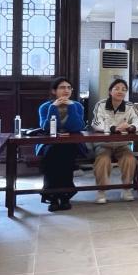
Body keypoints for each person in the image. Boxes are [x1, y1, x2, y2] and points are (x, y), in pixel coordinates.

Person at [90, 78, 138, 204]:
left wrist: (131, 127)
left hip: (122, 144)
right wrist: (113, 128)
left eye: (124, 89)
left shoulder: (129, 106)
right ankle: (101, 191)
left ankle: (126, 189)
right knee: (103, 160)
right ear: (110, 91)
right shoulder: (101, 104)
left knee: (130, 159)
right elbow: (96, 123)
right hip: (103, 144)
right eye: (117, 89)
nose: (120, 91)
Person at [37, 77, 86, 211]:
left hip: (71, 143)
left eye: (69, 88)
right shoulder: (45, 107)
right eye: (62, 87)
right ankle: (54, 196)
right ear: (54, 91)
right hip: (50, 144)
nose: (66, 90)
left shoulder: (77, 106)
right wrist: (53, 108)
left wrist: (71, 107)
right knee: (54, 152)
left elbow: (77, 126)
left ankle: (63, 196)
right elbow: (46, 127)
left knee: (65, 151)